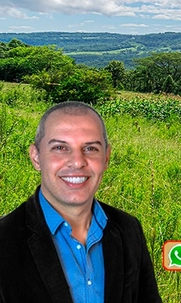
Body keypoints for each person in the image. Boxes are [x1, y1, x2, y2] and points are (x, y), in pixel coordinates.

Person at [0, 101, 162, 303]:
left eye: (91, 148)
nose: (77, 162)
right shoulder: (4, 240)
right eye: (60, 147)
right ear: (36, 157)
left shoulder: (129, 229)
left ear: (106, 158)